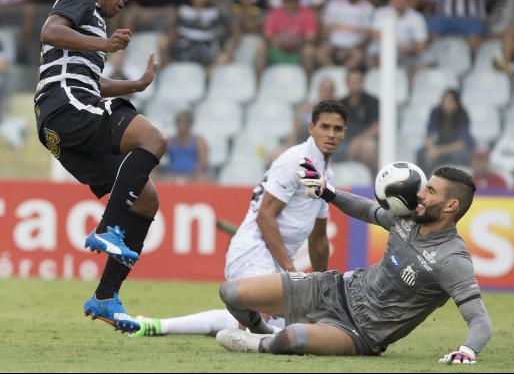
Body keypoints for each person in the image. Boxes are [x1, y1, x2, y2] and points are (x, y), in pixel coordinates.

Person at [216, 165, 493, 365]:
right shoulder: (405, 219)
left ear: (450, 205)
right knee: (231, 293)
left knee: (292, 339)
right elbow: (366, 209)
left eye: (430, 191)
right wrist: (327, 192)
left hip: (359, 332)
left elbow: (480, 321)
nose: (420, 194)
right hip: (333, 287)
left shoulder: (452, 259)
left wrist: (467, 351)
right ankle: (263, 333)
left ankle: (258, 344)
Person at [132, 100, 348, 337]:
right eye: (325, 127)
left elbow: (318, 239)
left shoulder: (324, 173)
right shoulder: (299, 161)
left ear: (344, 132)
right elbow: (265, 216)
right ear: (311, 128)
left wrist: (321, 284)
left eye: (337, 129)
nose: (331, 134)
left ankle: (158, 326)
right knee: (262, 331)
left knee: (275, 327)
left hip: (275, 259)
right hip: (255, 249)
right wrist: (290, 270)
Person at [34, 0, 167, 334]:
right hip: (67, 107)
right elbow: (49, 31)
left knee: (147, 199)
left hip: (62, 125)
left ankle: (106, 297)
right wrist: (106, 43)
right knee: (153, 138)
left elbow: (91, 81)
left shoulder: (91, 30)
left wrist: (135, 85)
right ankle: (108, 228)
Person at [159, 0, 236, 77]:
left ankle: (205, 80)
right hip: (184, 48)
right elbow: (172, 30)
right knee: (162, 42)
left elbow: (234, 28)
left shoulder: (217, 12)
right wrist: (171, 36)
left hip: (207, 49)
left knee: (224, 57)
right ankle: (167, 75)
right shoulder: (181, 10)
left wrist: (231, 46)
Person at [316, 0, 374, 71]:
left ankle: (343, 74)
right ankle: (333, 73)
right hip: (333, 45)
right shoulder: (334, 4)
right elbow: (326, 28)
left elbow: (367, 34)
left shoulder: (368, 7)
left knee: (359, 55)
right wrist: (326, 43)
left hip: (354, 48)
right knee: (320, 52)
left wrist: (353, 48)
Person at [260, 0, 318, 76]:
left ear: (298, 2)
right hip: (278, 47)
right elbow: (268, 35)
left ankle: (308, 83)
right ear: (283, 1)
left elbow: (311, 36)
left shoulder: (307, 13)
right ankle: (259, 83)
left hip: (298, 49)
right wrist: (281, 41)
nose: (290, 6)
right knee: (260, 49)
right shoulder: (275, 13)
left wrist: (296, 41)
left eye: (293, 3)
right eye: (288, 3)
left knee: (309, 51)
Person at [369, 0, 428, 72]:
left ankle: (412, 82)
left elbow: (422, 44)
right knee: (373, 49)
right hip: (384, 48)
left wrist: (410, 49)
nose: (398, 1)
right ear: (390, 0)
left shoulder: (416, 17)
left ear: (408, 1)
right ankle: (374, 78)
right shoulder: (381, 12)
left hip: (408, 51)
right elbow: (374, 35)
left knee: (427, 57)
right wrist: (395, 45)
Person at [417, 89, 475, 175]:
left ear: (456, 103)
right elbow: (428, 135)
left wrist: (438, 151)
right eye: (445, 100)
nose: (447, 104)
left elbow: (462, 143)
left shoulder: (462, 114)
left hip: (453, 149)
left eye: (450, 101)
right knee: (421, 153)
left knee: (461, 156)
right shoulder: (436, 112)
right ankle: (426, 180)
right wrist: (431, 149)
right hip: (439, 146)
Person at [336, 69, 379, 174]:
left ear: (363, 82)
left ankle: (370, 181)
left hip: (366, 141)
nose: (355, 85)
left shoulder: (373, 101)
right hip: (344, 143)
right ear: (347, 83)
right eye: (352, 82)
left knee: (369, 147)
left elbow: (377, 126)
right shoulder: (340, 104)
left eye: (358, 81)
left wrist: (358, 141)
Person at [157, 111, 209, 182]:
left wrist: (192, 174)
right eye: (178, 122)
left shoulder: (199, 141)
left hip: (193, 175)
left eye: (184, 122)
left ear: (190, 124)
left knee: (202, 180)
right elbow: (156, 157)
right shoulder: (170, 141)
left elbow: (203, 162)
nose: (181, 125)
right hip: (172, 175)